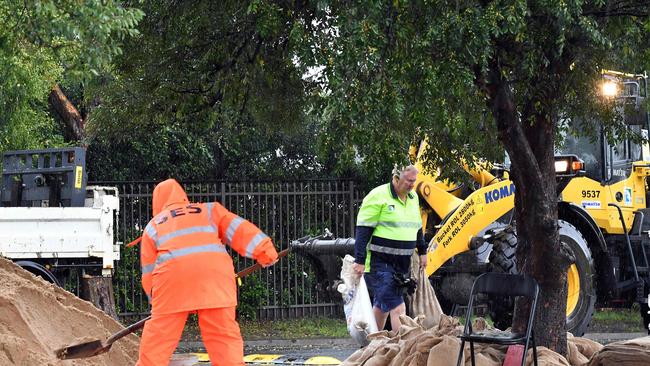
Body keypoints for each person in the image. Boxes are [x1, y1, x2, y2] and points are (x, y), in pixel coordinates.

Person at [136, 179, 278, 366]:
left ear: (157, 202)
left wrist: (157, 305)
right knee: (223, 338)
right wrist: (264, 250)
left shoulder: (153, 226)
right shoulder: (209, 210)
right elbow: (239, 229)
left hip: (172, 282)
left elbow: (148, 272)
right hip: (215, 280)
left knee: (158, 341)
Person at [352, 164, 427, 331]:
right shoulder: (378, 196)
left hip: (401, 265)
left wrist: (423, 251)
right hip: (380, 264)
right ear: (396, 178)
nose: (412, 185)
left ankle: (372, 345)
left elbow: (417, 227)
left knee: (382, 307)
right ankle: (401, 350)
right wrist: (359, 260)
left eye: (414, 181)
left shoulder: (413, 197)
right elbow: (363, 230)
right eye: (408, 181)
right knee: (398, 308)